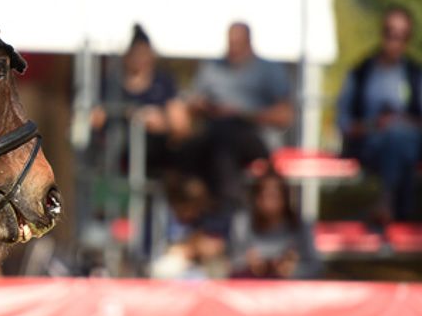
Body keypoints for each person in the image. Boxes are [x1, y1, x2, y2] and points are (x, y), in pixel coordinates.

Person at [336, 5, 422, 223]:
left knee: (399, 137)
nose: (395, 41)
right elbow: (343, 122)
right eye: (390, 33)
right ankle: (401, 213)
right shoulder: (361, 73)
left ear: (408, 39)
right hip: (370, 145)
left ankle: (387, 203)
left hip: (409, 143)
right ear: (382, 33)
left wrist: (402, 122)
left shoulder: (417, 76)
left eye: (402, 36)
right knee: (397, 142)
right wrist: (374, 125)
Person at [182, 22, 293, 211]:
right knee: (195, 146)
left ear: (249, 43)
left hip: (254, 136)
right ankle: (194, 206)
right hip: (215, 134)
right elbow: (191, 104)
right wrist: (203, 107)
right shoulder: (211, 68)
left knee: (225, 139)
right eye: (230, 43)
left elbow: (285, 116)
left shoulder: (269, 70)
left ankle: (227, 207)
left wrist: (242, 113)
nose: (232, 49)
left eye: (237, 44)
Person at [90, 23, 190, 176]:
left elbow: (181, 125)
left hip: (155, 158)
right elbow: (93, 119)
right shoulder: (110, 85)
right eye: (135, 53)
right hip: (117, 157)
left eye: (143, 53)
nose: (139, 58)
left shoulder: (164, 83)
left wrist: (160, 122)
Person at [229, 166, 320, 280]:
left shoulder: (300, 225)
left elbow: (315, 267)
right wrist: (247, 263)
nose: (269, 202)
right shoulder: (242, 223)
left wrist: (293, 270)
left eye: (274, 196)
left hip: (289, 288)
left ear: (285, 198)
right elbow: (231, 262)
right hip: (249, 286)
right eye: (264, 196)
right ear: (256, 199)